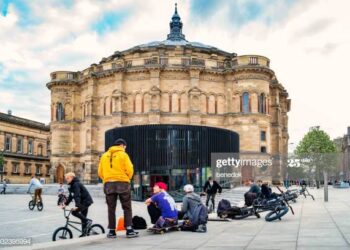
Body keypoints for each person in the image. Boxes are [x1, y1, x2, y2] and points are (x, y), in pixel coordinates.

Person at [98, 138, 139, 238]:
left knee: (111, 208)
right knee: (127, 207)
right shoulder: (123, 155)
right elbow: (130, 169)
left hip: (109, 184)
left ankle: (112, 231)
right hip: (122, 183)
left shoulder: (104, 156)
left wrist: (107, 179)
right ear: (122, 145)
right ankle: (129, 230)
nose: (125, 148)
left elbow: (100, 172)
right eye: (125, 147)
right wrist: (127, 178)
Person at [61, 172, 93, 237]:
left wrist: (77, 206)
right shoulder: (72, 185)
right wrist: (65, 204)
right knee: (83, 217)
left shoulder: (76, 184)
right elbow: (71, 196)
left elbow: (77, 195)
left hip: (86, 201)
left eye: (68, 178)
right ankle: (84, 233)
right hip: (83, 202)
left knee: (74, 212)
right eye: (66, 178)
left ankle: (87, 221)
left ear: (72, 178)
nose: (66, 179)